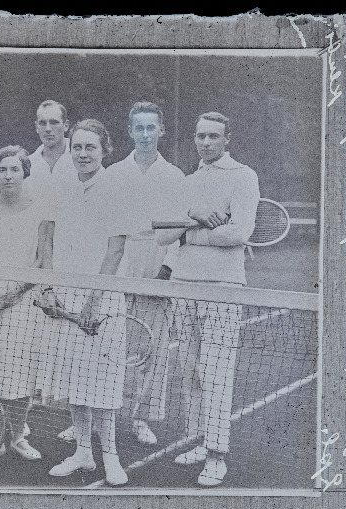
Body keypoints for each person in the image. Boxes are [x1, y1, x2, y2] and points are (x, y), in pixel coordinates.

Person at [155, 112, 259, 486]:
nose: (206, 142)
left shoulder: (244, 176)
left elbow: (240, 232)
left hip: (223, 287)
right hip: (184, 285)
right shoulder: (187, 181)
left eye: (214, 136)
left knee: (216, 373)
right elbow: (162, 236)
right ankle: (201, 441)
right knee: (191, 373)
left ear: (227, 139)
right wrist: (195, 215)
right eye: (200, 136)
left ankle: (217, 455)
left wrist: (188, 230)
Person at [43, 119, 129, 485]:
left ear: (104, 149)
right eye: (76, 147)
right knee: (76, 379)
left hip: (104, 298)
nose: (82, 153)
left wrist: (93, 300)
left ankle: (110, 456)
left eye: (90, 147)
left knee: (104, 382)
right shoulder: (61, 187)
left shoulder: (116, 187)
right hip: (67, 296)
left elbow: (116, 249)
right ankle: (83, 453)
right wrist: (48, 286)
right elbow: (47, 235)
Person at [0, 145, 54, 463]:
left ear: (25, 172)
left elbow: (44, 262)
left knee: (19, 375)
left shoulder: (41, 211)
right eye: (2, 169)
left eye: (14, 169)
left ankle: (17, 437)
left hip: (21, 304)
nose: (7, 175)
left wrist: (9, 296)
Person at [106, 101, 186, 446]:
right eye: (138, 128)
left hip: (158, 261)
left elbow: (179, 230)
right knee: (109, 343)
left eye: (151, 127)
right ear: (129, 131)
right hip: (121, 260)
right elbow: (107, 232)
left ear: (161, 131)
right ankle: (99, 417)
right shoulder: (113, 174)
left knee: (151, 347)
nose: (144, 134)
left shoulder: (175, 176)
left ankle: (140, 419)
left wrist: (166, 269)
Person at [26, 100, 81, 209]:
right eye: (42, 123)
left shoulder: (82, 156)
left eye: (54, 122)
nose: (48, 129)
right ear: (36, 127)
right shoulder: (28, 163)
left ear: (66, 125)